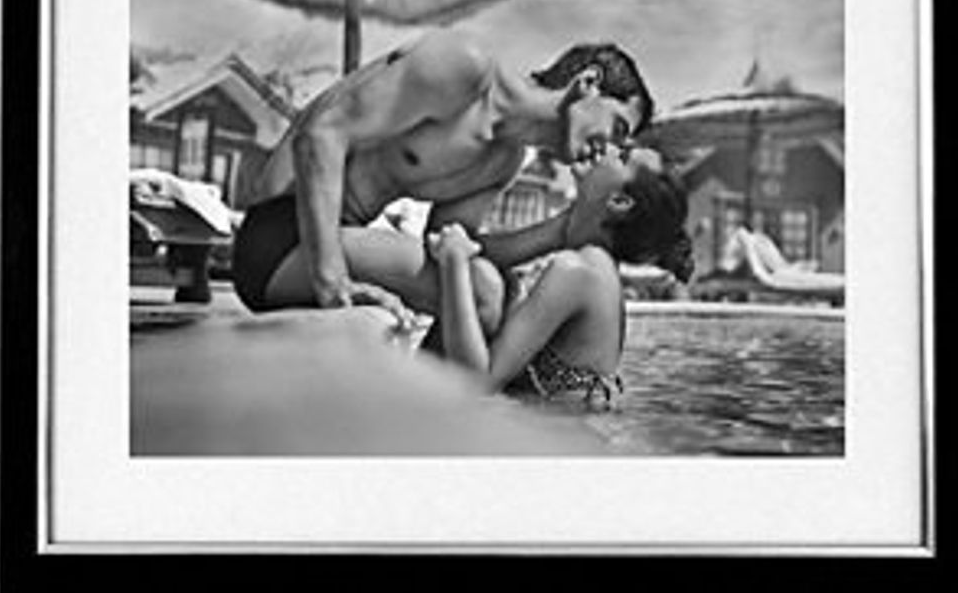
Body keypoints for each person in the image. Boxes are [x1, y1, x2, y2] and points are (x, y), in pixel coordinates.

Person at [232, 29, 655, 325]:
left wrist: (564, 228)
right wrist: (332, 280)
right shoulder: (465, 67)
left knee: (496, 289)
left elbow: (450, 252)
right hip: (279, 235)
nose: (609, 149)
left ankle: (435, 412)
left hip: (334, 241)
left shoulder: (503, 161)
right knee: (483, 292)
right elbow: (320, 135)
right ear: (588, 82)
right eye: (617, 128)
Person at [425, 144, 694, 408]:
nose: (608, 147)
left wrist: (453, 261)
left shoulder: (578, 271)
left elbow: (480, 383)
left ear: (619, 202)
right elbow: (483, 251)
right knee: (489, 282)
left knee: (482, 282)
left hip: (545, 431)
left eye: (622, 156)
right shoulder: (596, 265)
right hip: (565, 429)